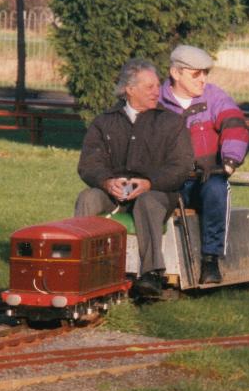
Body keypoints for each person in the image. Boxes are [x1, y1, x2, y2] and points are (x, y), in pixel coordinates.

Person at [75, 58, 194, 298]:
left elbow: (181, 166)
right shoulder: (104, 122)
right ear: (129, 89)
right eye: (149, 87)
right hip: (114, 191)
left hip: (158, 192)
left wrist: (149, 182)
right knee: (87, 198)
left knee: (147, 202)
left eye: (157, 85)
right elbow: (88, 164)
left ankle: (151, 274)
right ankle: (82, 266)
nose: (156, 91)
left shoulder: (172, 122)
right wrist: (107, 182)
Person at [159, 44, 249, 284]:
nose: (203, 79)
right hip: (169, 180)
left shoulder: (215, 97)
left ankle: (211, 260)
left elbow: (235, 125)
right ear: (175, 73)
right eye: (196, 74)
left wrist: (229, 162)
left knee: (217, 189)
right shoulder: (157, 102)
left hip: (205, 178)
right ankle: (153, 267)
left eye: (206, 73)